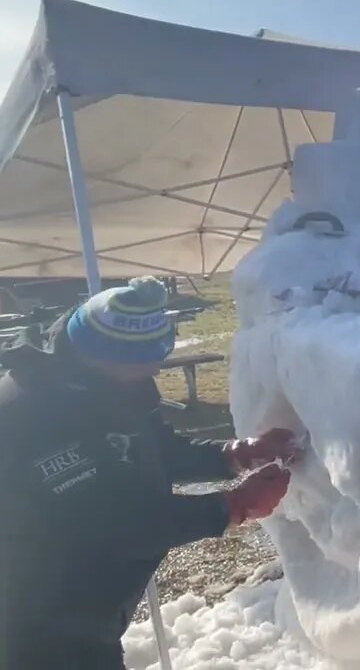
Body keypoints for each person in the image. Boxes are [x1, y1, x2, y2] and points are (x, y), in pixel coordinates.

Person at [0, 277, 296, 670]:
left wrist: (234, 454)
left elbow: (149, 447)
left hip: (89, 617)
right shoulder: (36, 413)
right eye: (142, 365)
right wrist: (233, 506)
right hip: (40, 625)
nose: (153, 371)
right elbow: (117, 524)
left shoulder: (104, 381)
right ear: (102, 354)